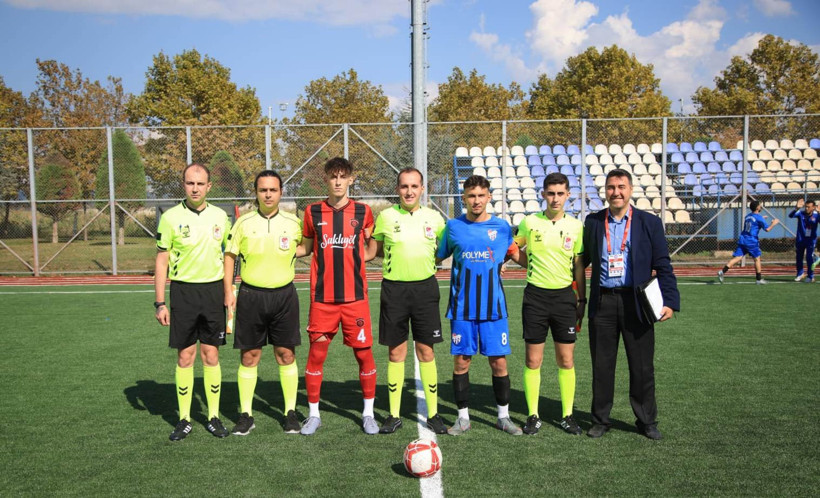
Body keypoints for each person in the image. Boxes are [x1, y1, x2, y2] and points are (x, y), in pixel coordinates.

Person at [582, 169, 679, 440]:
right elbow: (581, 260)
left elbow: (663, 264)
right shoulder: (592, 222)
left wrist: (670, 301)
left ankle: (647, 421)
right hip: (603, 303)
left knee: (642, 366)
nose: (616, 192)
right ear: (605, 191)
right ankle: (601, 419)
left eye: (621, 187)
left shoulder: (649, 222)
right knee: (602, 365)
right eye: (611, 187)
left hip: (637, 303)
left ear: (631, 189)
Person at [297, 157, 379, 435]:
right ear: (326, 179)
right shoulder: (312, 212)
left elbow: (369, 250)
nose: (338, 181)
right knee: (316, 355)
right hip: (323, 300)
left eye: (343, 176)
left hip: (355, 299)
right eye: (333, 176)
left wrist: (353, 262)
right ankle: (314, 415)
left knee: (364, 354)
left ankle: (368, 414)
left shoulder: (363, 211)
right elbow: (305, 248)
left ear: (351, 179)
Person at [436, 175, 522, 436]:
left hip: (494, 309)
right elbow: (437, 255)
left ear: (489, 197)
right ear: (463, 198)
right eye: (471, 196)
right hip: (462, 309)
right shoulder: (452, 227)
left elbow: (516, 254)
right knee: (461, 363)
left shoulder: (503, 228)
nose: (476, 200)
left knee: (499, 362)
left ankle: (503, 417)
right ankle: (463, 418)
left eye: (480, 196)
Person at [224, 170, 308, 436]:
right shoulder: (243, 223)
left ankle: (290, 413)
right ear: (256, 193)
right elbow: (230, 256)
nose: (268, 194)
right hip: (251, 296)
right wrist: (228, 291)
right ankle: (246, 414)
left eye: (273, 190)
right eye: (263, 190)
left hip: (284, 297)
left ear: (281, 192)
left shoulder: (294, 222)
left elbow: (307, 247)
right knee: (250, 356)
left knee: (286, 354)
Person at [154, 163, 232, 441]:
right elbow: (162, 261)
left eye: (200, 184)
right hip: (183, 294)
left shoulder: (221, 217)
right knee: (185, 356)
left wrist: (229, 292)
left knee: (211, 355)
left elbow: (228, 258)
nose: (195, 188)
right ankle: (184, 418)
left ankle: (213, 416)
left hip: (212, 293)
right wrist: (160, 302)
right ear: (183, 185)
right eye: (190, 183)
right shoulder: (170, 217)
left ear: (209, 186)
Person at [509, 172, 585, 436]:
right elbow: (515, 248)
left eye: (560, 193)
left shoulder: (576, 227)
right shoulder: (529, 223)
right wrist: (520, 260)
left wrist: (581, 299)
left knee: (566, 359)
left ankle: (567, 415)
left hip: (565, 298)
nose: (555, 198)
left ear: (567, 195)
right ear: (543, 194)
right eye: (550, 193)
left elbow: (578, 267)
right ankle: (533, 415)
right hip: (535, 298)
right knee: (533, 360)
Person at [373, 167, 448, 435]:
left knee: (426, 351)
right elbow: (373, 251)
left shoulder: (435, 218)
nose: (409, 191)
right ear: (397, 189)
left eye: (414, 186)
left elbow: (443, 250)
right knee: (396, 352)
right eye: (404, 186)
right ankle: (393, 415)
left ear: (422, 189)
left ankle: (434, 414)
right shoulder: (385, 217)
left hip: (425, 290)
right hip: (394, 290)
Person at [717, 200, 780, 285]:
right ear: (757, 207)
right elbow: (767, 229)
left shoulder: (748, 216)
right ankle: (758, 280)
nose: (761, 206)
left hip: (743, 239)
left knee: (738, 257)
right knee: (757, 259)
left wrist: (762, 218)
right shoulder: (759, 218)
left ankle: (722, 271)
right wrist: (773, 223)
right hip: (751, 241)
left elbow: (753, 221)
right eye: (760, 205)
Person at [788, 199, 819, 283]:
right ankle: (800, 274)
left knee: (809, 258)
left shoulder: (816, 215)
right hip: (800, 239)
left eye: (809, 207)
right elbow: (790, 216)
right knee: (799, 257)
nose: (806, 208)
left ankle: (810, 276)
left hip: (811, 240)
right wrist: (796, 208)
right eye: (806, 206)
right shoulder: (800, 213)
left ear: (813, 207)